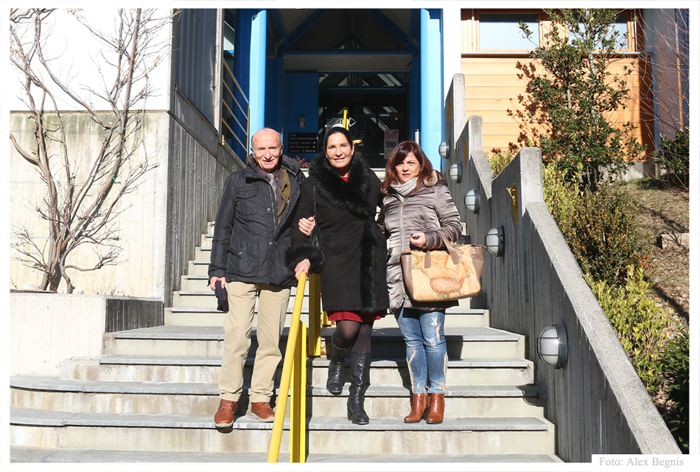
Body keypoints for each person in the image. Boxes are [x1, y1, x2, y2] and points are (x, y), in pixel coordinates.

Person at [286, 126, 389, 425]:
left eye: (343, 145)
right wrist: (303, 248)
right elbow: (298, 224)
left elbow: (391, 205)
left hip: (368, 255)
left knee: (365, 329)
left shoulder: (369, 178)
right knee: (346, 328)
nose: (339, 151)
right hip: (336, 259)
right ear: (324, 151)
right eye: (332, 147)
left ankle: (356, 400)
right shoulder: (313, 184)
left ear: (352, 148)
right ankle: (336, 356)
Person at [208, 128, 305, 427]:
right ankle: (229, 399)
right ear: (253, 151)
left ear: (280, 147)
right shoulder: (238, 181)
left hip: (279, 271)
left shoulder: (296, 181)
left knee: (270, 341)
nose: (267, 154)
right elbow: (223, 227)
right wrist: (216, 270)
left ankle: (261, 398)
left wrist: (305, 256)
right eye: (261, 149)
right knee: (237, 337)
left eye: (272, 148)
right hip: (241, 269)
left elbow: (303, 225)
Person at [377, 140, 462, 425]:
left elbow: (454, 228)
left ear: (421, 165)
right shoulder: (387, 197)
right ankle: (419, 398)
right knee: (412, 341)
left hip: (429, 277)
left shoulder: (436, 191)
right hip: (398, 279)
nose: (404, 168)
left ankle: (437, 398)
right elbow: (380, 231)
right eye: (400, 163)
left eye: (410, 163)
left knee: (433, 340)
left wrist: (429, 238)